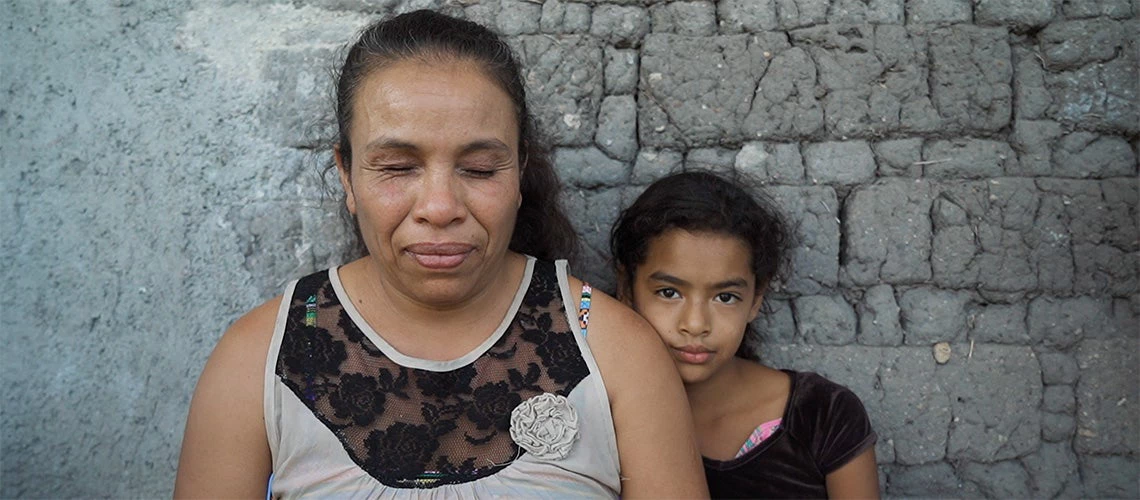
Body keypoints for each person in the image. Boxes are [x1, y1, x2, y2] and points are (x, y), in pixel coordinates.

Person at [174, 10, 707, 498]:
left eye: (478, 169)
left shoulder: (615, 352)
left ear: (519, 171)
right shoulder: (259, 358)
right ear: (347, 174)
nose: (439, 206)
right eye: (397, 167)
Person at [610, 171, 880, 499]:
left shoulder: (822, 415)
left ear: (755, 300)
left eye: (725, 297)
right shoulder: (599, 421)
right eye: (669, 292)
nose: (695, 324)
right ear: (627, 288)